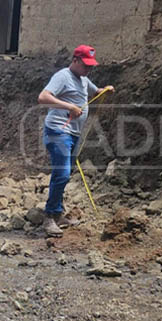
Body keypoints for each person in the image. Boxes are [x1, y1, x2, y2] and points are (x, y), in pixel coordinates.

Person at [37, 45, 114, 237]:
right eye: (85, 65)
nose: (88, 69)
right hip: (58, 131)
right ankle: (49, 218)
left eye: (91, 66)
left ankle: (58, 212)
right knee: (62, 173)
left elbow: (95, 92)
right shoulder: (62, 76)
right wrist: (69, 106)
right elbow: (43, 97)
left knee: (65, 173)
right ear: (75, 60)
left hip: (73, 133)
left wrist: (105, 91)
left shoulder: (83, 79)